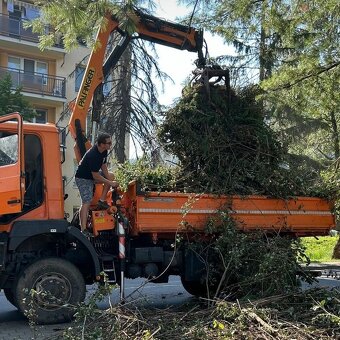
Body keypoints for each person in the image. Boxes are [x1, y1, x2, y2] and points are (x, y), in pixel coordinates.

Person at [75, 132, 118, 233]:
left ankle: (102, 201)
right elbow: (95, 175)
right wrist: (110, 183)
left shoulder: (103, 151)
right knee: (87, 201)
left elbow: (103, 166)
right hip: (83, 178)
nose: (110, 145)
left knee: (111, 176)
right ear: (102, 144)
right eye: (109, 143)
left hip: (91, 175)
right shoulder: (93, 155)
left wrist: (110, 180)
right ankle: (83, 229)